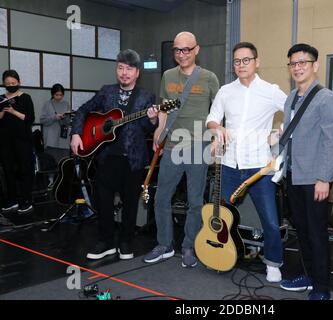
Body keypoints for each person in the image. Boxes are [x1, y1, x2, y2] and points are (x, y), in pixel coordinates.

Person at [206, 42, 287, 282]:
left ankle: (273, 262)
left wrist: (279, 132)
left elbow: (294, 112)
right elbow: (211, 118)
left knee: (270, 220)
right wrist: (217, 127)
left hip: (260, 167)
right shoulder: (225, 91)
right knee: (220, 215)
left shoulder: (270, 90)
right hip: (229, 166)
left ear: (256, 61)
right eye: (237, 61)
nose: (241, 65)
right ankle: (221, 252)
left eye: (246, 60)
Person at [70, 49, 159, 260]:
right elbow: (83, 110)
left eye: (129, 68)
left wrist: (153, 120)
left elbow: (146, 128)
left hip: (134, 159)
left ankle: (126, 242)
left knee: (130, 203)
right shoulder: (106, 92)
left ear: (137, 72)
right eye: (120, 68)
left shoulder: (147, 96)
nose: (124, 73)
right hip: (107, 156)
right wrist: (76, 134)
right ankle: (106, 241)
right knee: (103, 201)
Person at [143, 31, 220, 268]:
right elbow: (165, 108)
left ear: (197, 50)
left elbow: (218, 112)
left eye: (186, 49)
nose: (181, 54)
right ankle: (165, 244)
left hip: (199, 145)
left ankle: (189, 246)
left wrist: (217, 138)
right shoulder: (167, 76)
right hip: (174, 143)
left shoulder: (209, 78)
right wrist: (159, 130)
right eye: (177, 50)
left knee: (195, 201)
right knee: (161, 197)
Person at [279, 43, 333, 300]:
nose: (298, 67)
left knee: (317, 234)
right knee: (302, 231)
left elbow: (332, 141)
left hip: (315, 179)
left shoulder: (327, 99)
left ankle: (322, 288)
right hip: (293, 175)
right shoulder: (291, 97)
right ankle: (308, 276)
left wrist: (323, 178)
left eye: (303, 62)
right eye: (293, 63)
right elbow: (291, 134)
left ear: (315, 65)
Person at [0, 70, 36, 214]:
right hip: (4, 141)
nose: (10, 85)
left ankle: (26, 200)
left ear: (18, 82)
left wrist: (14, 111)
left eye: (13, 83)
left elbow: (30, 119)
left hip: (23, 140)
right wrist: (3, 110)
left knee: (25, 170)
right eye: (7, 83)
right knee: (8, 170)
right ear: (4, 84)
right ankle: (12, 200)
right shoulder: (1, 98)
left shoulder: (25, 97)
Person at [40, 83, 71, 164]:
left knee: (64, 164)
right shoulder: (47, 104)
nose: (59, 97)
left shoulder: (66, 104)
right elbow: (42, 120)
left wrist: (65, 117)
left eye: (61, 95)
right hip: (51, 141)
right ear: (52, 94)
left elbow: (68, 122)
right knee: (51, 164)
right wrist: (54, 117)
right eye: (57, 95)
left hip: (64, 139)